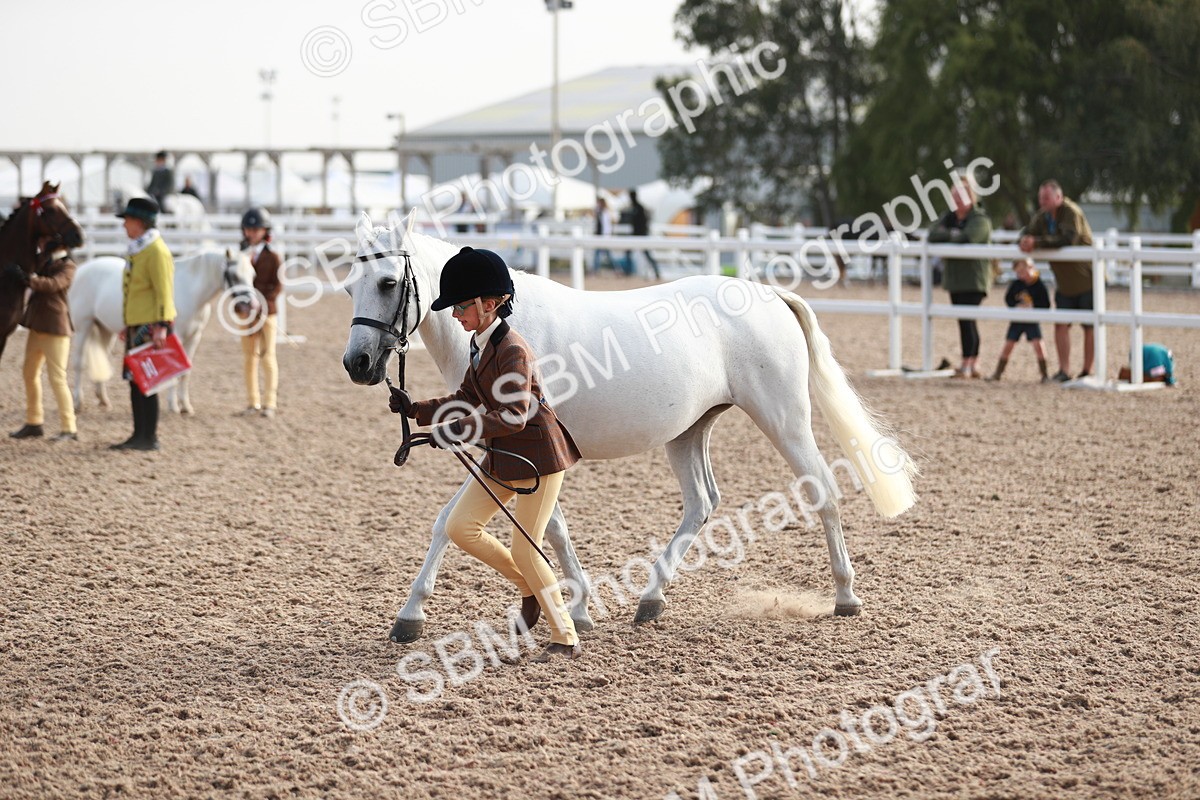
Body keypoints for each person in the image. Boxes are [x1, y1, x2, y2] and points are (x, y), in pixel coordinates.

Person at [388, 247, 584, 662]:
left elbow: (513, 416)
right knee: (461, 527)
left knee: (527, 548)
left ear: (488, 304)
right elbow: (467, 397)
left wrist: (459, 430)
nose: (455, 315)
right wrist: (417, 409)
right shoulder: (480, 345)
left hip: (537, 460)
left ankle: (564, 636)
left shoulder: (512, 350)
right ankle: (529, 588)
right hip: (503, 456)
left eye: (461, 306)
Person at [112, 197, 175, 451]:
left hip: (150, 324)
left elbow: (164, 291)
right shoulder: (139, 249)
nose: (124, 225)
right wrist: (128, 324)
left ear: (139, 222)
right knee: (134, 379)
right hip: (137, 324)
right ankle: (138, 433)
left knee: (146, 380)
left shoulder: (156, 251)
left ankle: (149, 436)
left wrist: (163, 324)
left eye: (127, 220)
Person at [1019, 180, 1096, 381]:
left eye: (1046, 197)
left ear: (1058, 197)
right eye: (1040, 198)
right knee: (1061, 324)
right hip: (1064, 283)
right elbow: (1028, 231)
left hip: (1087, 280)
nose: (1042, 201)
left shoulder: (1071, 212)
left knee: (1090, 326)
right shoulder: (1042, 217)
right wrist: (1026, 239)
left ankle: (1088, 370)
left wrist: (1036, 242)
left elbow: (1068, 239)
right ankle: (1064, 370)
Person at [8, 237, 78, 441]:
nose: (40, 244)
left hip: (55, 327)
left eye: (45, 241)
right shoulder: (45, 261)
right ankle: (34, 421)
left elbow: (53, 284)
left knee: (57, 377)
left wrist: (28, 279)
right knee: (29, 373)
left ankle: (69, 427)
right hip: (37, 326)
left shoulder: (68, 266)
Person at [927, 176, 993, 378]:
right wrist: (953, 233)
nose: (956, 200)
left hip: (973, 279)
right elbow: (932, 234)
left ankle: (970, 362)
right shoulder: (949, 217)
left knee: (968, 319)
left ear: (971, 198)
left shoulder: (980, 219)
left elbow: (969, 237)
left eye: (960, 196)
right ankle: (971, 363)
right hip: (956, 279)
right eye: (953, 196)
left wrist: (949, 234)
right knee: (964, 320)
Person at [237, 207, 282, 418]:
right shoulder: (239, 256)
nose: (253, 233)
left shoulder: (273, 256)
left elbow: (278, 285)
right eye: (249, 229)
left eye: (257, 229)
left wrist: (263, 304)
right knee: (249, 357)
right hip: (245, 313)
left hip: (267, 313)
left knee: (267, 356)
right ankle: (252, 402)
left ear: (265, 231)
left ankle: (270, 403)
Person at [986, 258, 1050, 382]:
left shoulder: (1039, 285)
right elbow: (1008, 299)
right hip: (1017, 320)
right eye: (1018, 272)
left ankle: (1044, 374)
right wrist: (1016, 306)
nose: (1021, 275)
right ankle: (998, 372)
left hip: (1032, 320)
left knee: (1039, 346)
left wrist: (1033, 307)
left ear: (1031, 268)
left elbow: (1045, 304)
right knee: (1008, 345)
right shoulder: (1016, 284)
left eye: (1023, 271)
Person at [621, 189, 660, 279]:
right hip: (636, 235)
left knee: (646, 254)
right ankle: (628, 272)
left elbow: (642, 222)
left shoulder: (638, 208)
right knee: (629, 253)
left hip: (641, 235)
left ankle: (657, 272)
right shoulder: (635, 208)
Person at [592, 197, 616, 274]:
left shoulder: (606, 212)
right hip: (600, 236)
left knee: (608, 255)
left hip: (604, 236)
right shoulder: (600, 211)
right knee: (598, 254)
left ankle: (616, 269)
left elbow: (606, 226)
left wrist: (606, 236)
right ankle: (596, 270)